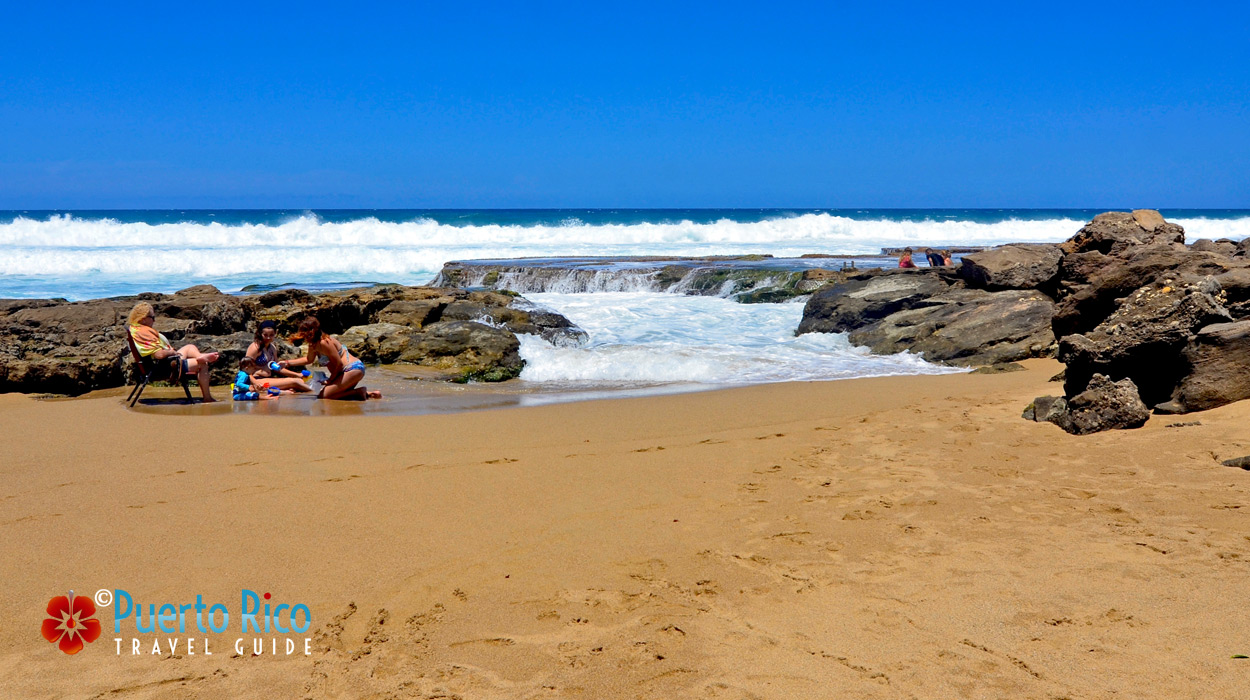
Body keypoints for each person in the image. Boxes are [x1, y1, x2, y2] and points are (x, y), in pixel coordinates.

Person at [127, 302, 220, 402]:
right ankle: (207, 398)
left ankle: (199, 356)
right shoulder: (144, 333)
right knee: (203, 365)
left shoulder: (135, 329)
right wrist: (171, 352)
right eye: (152, 317)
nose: (154, 320)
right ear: (143, 319)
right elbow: (159, 355)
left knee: (190, 347)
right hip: (165, 367)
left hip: (160, 363)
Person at [283, 316, 381, 401]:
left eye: (305, 333)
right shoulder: (313, 345)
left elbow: (339, 364)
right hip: (345, 372)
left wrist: (330, 380)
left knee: (324, 396)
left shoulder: (324, 342)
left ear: (312, 331)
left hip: (352, 369)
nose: (304, 336)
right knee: (332, 394)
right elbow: (308, 360)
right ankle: (368, 394)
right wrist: (287, 363)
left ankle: (358, 392)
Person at [245, 320, 312, 392]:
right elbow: (245, 369)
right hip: (256, 379)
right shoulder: (255, 348)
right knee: (295, 382)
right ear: (260, 333)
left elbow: (277, 368)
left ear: (275, 334)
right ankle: (315, 391)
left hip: (268, 379)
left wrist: (297, 375)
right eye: (265, 335)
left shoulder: (272, 348)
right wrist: (255, 383)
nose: (268, 338)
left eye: (271, 335)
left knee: (299, 382)